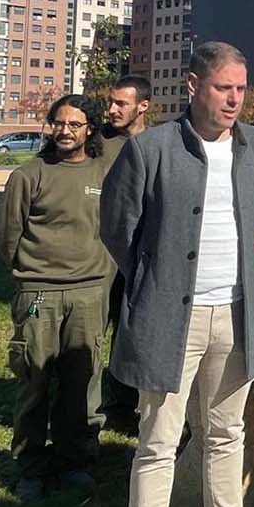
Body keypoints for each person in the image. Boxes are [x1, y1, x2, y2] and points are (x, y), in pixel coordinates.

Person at [101, 42, 254, 507]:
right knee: (157, 441)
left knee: (226, 434)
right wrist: (156, 281)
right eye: (223, 87)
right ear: (192, 86)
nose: (235, 99)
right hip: (171, 319)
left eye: (241, 88)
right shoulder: (149, 149)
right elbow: (119, 230)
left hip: (237, 314)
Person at [0, 94, 109, 504]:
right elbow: (8, 236)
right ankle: (30, 467)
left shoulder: (105, 172)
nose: (65, 131)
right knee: (35, 382)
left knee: (82, 381)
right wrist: (30, 275)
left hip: (89, 292)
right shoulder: (29, 175)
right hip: (39, 292)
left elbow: (116, 227)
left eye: (74, 124)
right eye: (58, 123)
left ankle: (75, 461)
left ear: (89, 129)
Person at [100, 74, 152, 432]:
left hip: (143, 258)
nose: (112, 109)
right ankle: (105, 405)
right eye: (111, 102)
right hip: (102, 257)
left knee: (134, 332)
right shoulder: (99, 143)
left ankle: (131, 403)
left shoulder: (159, 143)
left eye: (121, 103)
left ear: (143, 106)